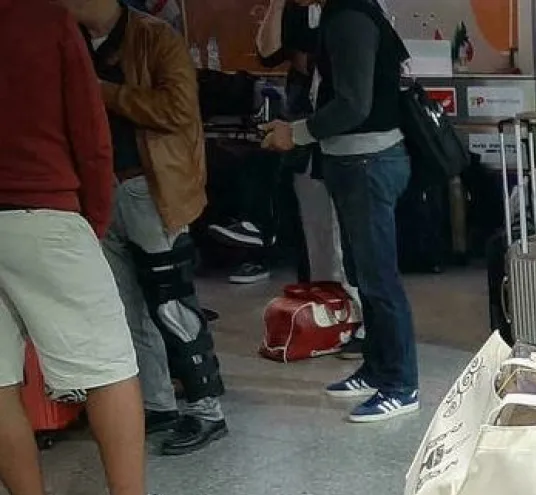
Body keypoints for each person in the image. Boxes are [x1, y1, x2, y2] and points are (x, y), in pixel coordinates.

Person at [0, 0, 205, 495]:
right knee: (109, 363)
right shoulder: (42, 18)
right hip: (43, 205)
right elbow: (90, 129)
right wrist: (91, 215)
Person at [66, 0, 231, 455]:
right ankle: (157, 404)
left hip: (151, 186)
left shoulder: (155, 37)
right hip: (98, 189)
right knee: (124, 307)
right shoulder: (70, 39)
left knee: (171, 303)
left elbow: (178, 109)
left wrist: (101, 90)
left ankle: (206, 409)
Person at [261, 0, 420, 422]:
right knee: (362, 275)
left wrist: (296, 134)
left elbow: (353, 104)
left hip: (368, 162)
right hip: (352, 161)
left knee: (379, 279)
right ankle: (377, 367)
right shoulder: (340, 13)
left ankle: (402, 384)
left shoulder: (350, 16)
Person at [254, 0, 365, 361]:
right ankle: (328, 314)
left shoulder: (348, 14)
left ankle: (360, 319)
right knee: (316, 231)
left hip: (341, 133)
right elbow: (267, 52)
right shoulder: (296, 10)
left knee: (349, 234)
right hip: (302, 129)